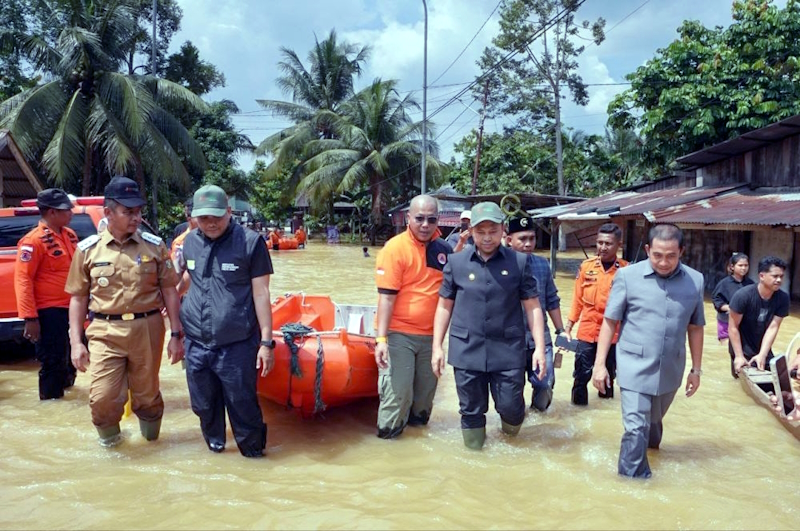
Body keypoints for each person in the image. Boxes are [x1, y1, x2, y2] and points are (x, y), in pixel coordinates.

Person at [65, 176, 184, 447]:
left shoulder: (154, 246)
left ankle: (151, 447)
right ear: (108, 212)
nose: (136, 218)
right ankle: (113, 452)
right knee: (103, 398)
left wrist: (176, 334)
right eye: (128, 212)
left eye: (138, 211)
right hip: (104, 331)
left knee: (148, 395)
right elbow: (78, 298)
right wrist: (75, 343)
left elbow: (170, 291)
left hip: (148, 327)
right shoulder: (88, 251)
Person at [592, 223, 704, 478]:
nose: (664, 262)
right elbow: (610, 321)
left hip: (670, 369)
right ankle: (632, 487)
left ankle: (652, 451)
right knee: (635, 428)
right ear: (647, 250)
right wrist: (600, 365)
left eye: (671, 256)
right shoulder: (627, 277)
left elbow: (696, 327)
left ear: (682, 252)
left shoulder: (695, 281)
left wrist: (696, 370)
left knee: (652, 427)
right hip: (633, 366)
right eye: (657, 255)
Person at [431, 201, 546, 450]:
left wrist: (539, 347)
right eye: (480, 232)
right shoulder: (456, 262)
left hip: (508, 349)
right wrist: (437, 347)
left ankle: (511, 441)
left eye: (492, 231)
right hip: (466, 349)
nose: (486, 238)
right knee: (470, 410)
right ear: (470, 231)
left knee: (511, 407)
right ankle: (474, 458)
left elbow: (533, 306)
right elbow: (443, 306)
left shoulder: (519, 262)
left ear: (503, 230)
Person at [179, 185, 273, 457]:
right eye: (203, 217)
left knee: (242, 404)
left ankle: (253, 455)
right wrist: (171, 306)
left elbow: (261, 292)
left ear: (229, 212)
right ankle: (215, 448)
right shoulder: (189, 242)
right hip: (196, 342)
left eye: (216, 217)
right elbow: (189, 278)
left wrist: (266, 342)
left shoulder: (250, 242)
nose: (210, 223)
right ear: (194, 216)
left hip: (237, 344)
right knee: (203, 405)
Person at [373, 195, 451, 439]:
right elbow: (386, 298)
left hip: (431, 338)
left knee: (424, 401)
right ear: (408, 218)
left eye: (431, 219)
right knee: (398, 396)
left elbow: (451, 298)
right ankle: (388, 444)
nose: (425, 225)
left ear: (438, 220)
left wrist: (440, 343)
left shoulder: (445, 250)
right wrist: (381, 340)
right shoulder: (394, 249)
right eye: (419, 219)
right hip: (399, 335)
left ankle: (417, 455)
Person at [14, 188, 79, 400]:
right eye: (66, 210)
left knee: (71, 359)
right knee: (52, 361)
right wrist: (30, 318)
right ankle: (53, 403)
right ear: (51, 212)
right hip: (49, 312)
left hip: (72, 309)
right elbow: (23, 280)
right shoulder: (32, 241)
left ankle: (68, 401)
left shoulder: (69, 236)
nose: (71, 213)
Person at [505, 213, 566, 411]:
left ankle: (538, 419)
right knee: (511, 393)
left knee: (544, 383)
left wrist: (560, 331)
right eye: (522, 239)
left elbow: (551, 299)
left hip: (540, 339)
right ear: (508, 240)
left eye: (531, 238)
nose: (528, 243)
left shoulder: (542, 265)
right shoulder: (500, 266)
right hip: (510, 340)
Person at [565, 223, 628, 406]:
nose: (602, 247)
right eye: (599, 243)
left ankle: (604, 412)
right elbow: (577, 299)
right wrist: (568, 327)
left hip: (613, 336)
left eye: (608, 243)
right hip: (587, 332)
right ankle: (577, 413)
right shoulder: (587, 267)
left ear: (619, 245)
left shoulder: (626, 270)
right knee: (580, 376)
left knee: (608, 378)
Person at [728, 256, 789, 377]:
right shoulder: (743, 296)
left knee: (777, 381)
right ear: (762, 276)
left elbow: (773, 327)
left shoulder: (783, 298)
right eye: (775, 276)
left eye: (781, 276)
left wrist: (763, 354)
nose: (779, 280)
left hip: (763, 348)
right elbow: (733, 327)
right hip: (741, 349)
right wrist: (739, 356)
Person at [711, 253, 753, 346]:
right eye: (740, 265)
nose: (743, 268)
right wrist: (729, 308)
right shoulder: (724, 284)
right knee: (726, 347)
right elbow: (716, 300)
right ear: (732, 267)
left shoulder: (751, 284)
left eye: (746, 265)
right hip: (726, 320)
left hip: (744, 322)